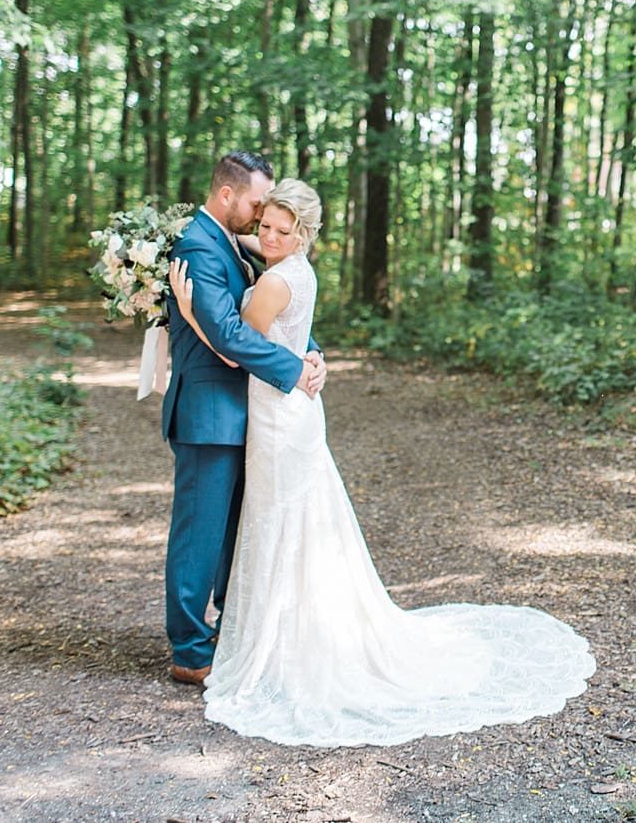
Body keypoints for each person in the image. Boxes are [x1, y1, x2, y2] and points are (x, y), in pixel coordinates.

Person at [168, 179, 594, 747]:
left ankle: (278, 639)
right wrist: (304, 350)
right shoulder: (289, 266)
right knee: (287, 522)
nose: (265, 234)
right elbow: (258, 281)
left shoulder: (274, 277)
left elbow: (231, 340)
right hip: (285, 416)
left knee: (280, 523)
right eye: (263, 224)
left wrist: (192, 310)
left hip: (278, 411)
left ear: (303, 234)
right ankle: (279, 631)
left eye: (279, 228)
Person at [161, 152, 325, 686]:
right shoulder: (198, 246)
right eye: (257, 204)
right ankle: (190, 649)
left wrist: (311, 352)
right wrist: (294, 371)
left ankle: (236, 629)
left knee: (238, 530)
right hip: (209, 409)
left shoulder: (235, 242)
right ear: (228, 195)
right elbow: (232, 334)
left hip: (247, 410)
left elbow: (278, 308)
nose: (261, 219)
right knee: (200, 534)